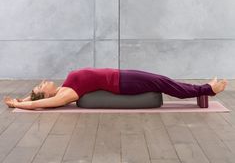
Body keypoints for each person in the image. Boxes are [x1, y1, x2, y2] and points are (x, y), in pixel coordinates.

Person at [3, 67, 227, 110]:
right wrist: (24, 105)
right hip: (122, 83)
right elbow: (41, 102)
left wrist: (21, 100)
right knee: (163, 82)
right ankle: (207, 89)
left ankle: (205, 88)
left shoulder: (64, 86)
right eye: (42, 85)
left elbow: (36, 97)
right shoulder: (65, 94)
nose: (44, 81)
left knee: (162, 79)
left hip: (121, 75)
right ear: (47, 93)